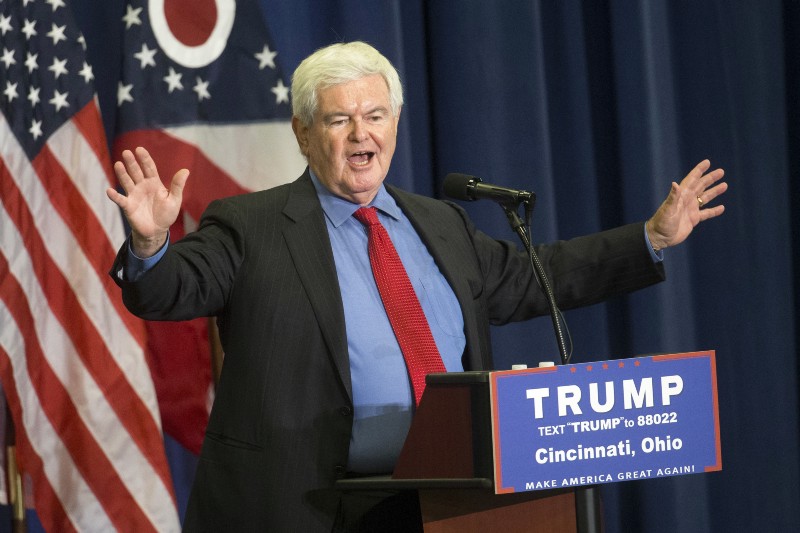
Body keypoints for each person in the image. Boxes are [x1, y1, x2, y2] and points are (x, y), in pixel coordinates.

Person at [106, 41, 726, 532]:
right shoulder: (251, 225)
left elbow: (533, 278)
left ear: (396, 122)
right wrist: (150, 244)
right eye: (340, 119)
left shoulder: (440, 222)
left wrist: (651, 237)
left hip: (447, 501)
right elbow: (168, 290)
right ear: (302, 133)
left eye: (374, 116)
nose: (361, 135)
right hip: (307, 506)